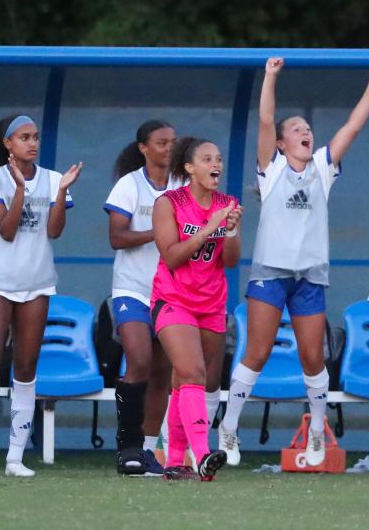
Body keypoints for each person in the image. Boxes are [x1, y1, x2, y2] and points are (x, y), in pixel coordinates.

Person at [219, 57, 369, 467]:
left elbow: (353, 127)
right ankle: (229, 427)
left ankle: (316, 430)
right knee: (256, 352)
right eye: (295, 130)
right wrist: (271, 77)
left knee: (313, 357)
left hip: (310, 276)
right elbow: (264, 119)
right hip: (271, 273)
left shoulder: (323, 168)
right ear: (280, 143)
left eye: (307, 129)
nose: (305, 132)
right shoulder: (272, 170)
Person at [0, 114, 82, 477]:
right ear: (8, 144)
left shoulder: (51, 179)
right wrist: (20, 190)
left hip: (37, 282)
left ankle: (15, 457)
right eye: (23, 137)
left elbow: (55, 230)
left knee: (27, 365)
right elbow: (6, 230)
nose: (32, 143)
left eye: (35, 137)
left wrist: (61, 192)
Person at [151, 136, 242, 481]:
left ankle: (176, 462)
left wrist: (230, 231)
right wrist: (209, 227)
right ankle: (202, 454)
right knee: (192, 372)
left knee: (187, 383)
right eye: (207, 159)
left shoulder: (227, 203)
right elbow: (172, 255)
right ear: (189, 168)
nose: (216, 164)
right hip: (172, 299)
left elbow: (230, 261)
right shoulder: (168, 202)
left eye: (218, 158)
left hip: (211, 304)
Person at [105, 120, 181, 475]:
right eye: (161, 142)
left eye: (173, 142)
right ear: (144, 149)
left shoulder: (184, 185)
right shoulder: (129, 185)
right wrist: (160, 230)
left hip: (172, 292)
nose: (169, 148)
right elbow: (117, 237)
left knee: (163, 372)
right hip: (132, 289)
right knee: (138, 360)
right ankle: (128, 446)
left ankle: (149, 451)